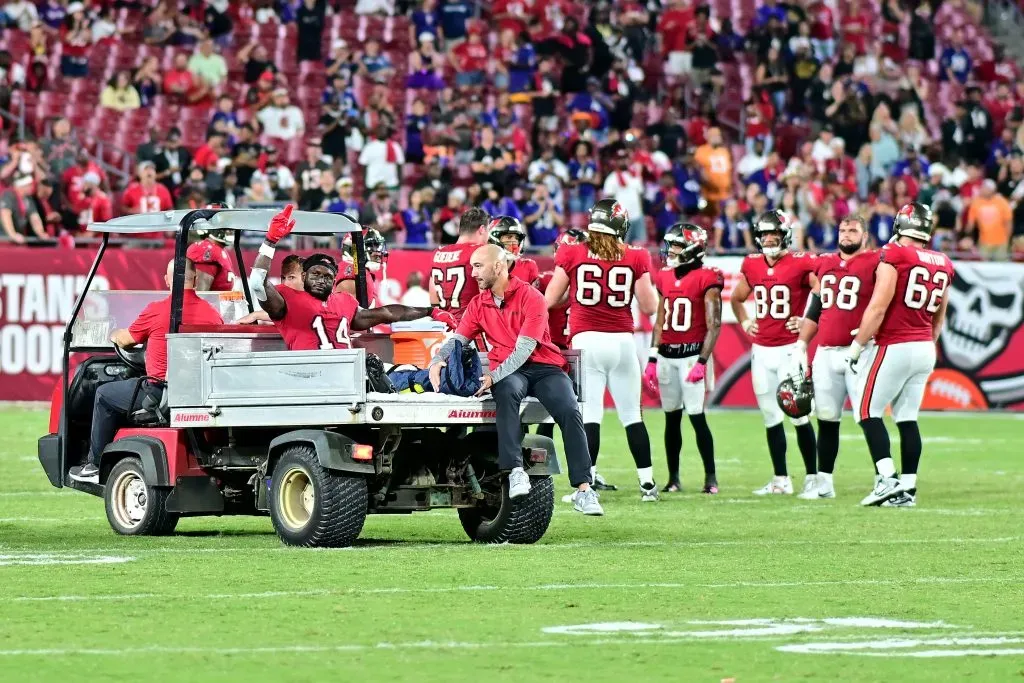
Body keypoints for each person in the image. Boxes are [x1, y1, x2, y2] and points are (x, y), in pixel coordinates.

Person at [428, 244, 603, 516]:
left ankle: (583, 489)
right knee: (507, 393)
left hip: (543, 366)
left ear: (498, 266)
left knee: (569, 409)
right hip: (510, 373)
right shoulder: (478, 303)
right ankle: (515, 471)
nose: (472, 272)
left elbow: (524, 349)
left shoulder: (531, 297)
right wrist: (437, 360)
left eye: (477, 266)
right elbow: (459, 339)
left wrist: (492, 376)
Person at [543, 199, 659, 500]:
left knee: (590, 414)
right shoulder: (636, 256)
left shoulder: (574, 252)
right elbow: (650, 306)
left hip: (587, 341)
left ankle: (589, 482)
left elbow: (550, 299)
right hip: (622, 341)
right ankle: (647, 484)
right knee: (632, 415)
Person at [70, 258, 224, 483]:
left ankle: (94, 465)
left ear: (167, 281)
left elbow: (126, 340)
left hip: (160, 392)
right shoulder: (211, 313)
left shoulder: (158, 310)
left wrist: (114, 333)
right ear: (196, 279)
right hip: (198, 393)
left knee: (104, 394)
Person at [849, 202, 954, 507]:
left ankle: (887, 480)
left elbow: (878, 306)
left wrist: (857, 347)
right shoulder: (943, 261)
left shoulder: (895, 255)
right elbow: (940, 317)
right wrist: (927, 343)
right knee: (907, 417)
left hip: (896, 344)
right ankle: (907, 489)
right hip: (924, 346)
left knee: (867, 411)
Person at [250, 206, 455, 350]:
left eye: (328, 276)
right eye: (316, 274)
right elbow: (258, 282)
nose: (322, 280)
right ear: (304, 276)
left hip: (346, 379)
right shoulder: (288, 300)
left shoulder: (343, 302)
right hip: (308, 378)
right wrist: (270, 241)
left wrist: (430, 311)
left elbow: (387, 313)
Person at [730, 209, 819, 496]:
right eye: (764, 235)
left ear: (785, 236)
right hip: (762, 350)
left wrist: (808, 319)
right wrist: (744, 320)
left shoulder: (801, 262)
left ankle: (814, 479)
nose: (769, 240)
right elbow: (736, 297)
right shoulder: (753, 265)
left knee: (799, 415)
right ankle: (781, 479)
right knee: (770, 416)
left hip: (790, 350)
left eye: (774, 235)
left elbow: (822, 292)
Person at [792, 215, 880, 499]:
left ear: (864, 236)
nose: (846, 234)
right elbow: (816, 306)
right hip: (827, 352)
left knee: (868, 416)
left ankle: (884, 478)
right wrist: (801, 344)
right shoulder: (825, 262)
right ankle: (824, 484)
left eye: (853, 230)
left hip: (861, 351)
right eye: (843, 229)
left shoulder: (877, 262)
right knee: (827, 418)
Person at [642, 224, 722, 494]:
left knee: (698, 417)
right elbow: (661, 319)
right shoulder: (664, 277)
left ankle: (711, 478)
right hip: (666, 355)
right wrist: (652, 357)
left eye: (676, 246)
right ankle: (673, 478)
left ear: (693, 249)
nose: (671, 251)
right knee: (671, 418)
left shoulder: (707, 278)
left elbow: (714, 324)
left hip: (691, 356)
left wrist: (702, 361)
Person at [430, 207, 488, 322]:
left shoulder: (438, 252)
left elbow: (433, 297)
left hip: (444, 326)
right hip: (469, 329)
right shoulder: (480, 251)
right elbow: (486, 297)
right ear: (482, 229)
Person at [239, 254, 305, 324]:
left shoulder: (314, 301)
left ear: (304, 277)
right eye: (283, 278)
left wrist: (256, 315)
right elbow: (285, 312)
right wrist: (255, 315)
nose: (285, 283)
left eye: (291, 277)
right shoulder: (280, 293)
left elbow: (257, 282)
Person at [335, 228, 387, 307]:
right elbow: (352, 315)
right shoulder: (351, 272)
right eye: (370, 246)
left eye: (377, 246)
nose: (378, 253)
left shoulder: (364, 272)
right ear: (353, 249)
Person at [486, 216, 540, 287]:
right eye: (509, 237)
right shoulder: (483, 267)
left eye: (517, 238)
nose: (514, 242)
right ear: (493, 239)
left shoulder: (529, 266)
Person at [186, 224, 237, 292]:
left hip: (218, 301)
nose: (231, 232)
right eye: (227, 229)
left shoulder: (220, 249)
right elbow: (200, 293)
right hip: (210, 302)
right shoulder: (206, 249)